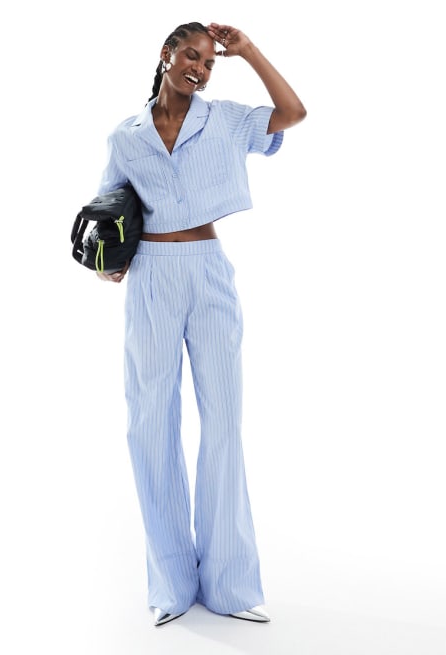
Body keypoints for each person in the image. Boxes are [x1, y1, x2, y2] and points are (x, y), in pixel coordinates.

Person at [95, 21, 306, 626]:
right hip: (151, 277)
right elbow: (109, 205)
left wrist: (248, 51)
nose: (201, 68)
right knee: (150, 422)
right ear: (167, 55)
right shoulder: (126, 135)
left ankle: (231, 586)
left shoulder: (226, 120)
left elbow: (292, 113)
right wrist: (109, 261)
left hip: (208, 270)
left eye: (210, 62)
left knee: (223, 422)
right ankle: (170, 586)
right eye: (193, 56)